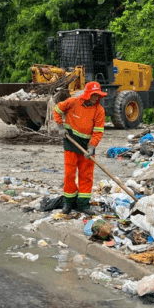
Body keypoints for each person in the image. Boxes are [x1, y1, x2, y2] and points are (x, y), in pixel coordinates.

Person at [52, 81, 106, 214]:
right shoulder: (73, 102)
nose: (95, 98)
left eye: (97, 96)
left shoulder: (99, 110)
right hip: (71, 142)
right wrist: (60, 126)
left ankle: (83, 204)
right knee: (69, 174)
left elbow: (98, 131)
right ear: (87, 95)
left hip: (86, 146)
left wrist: (92, 147)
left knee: (86, 175)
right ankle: (68, 203)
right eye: (93, 95)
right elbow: (57, 110)